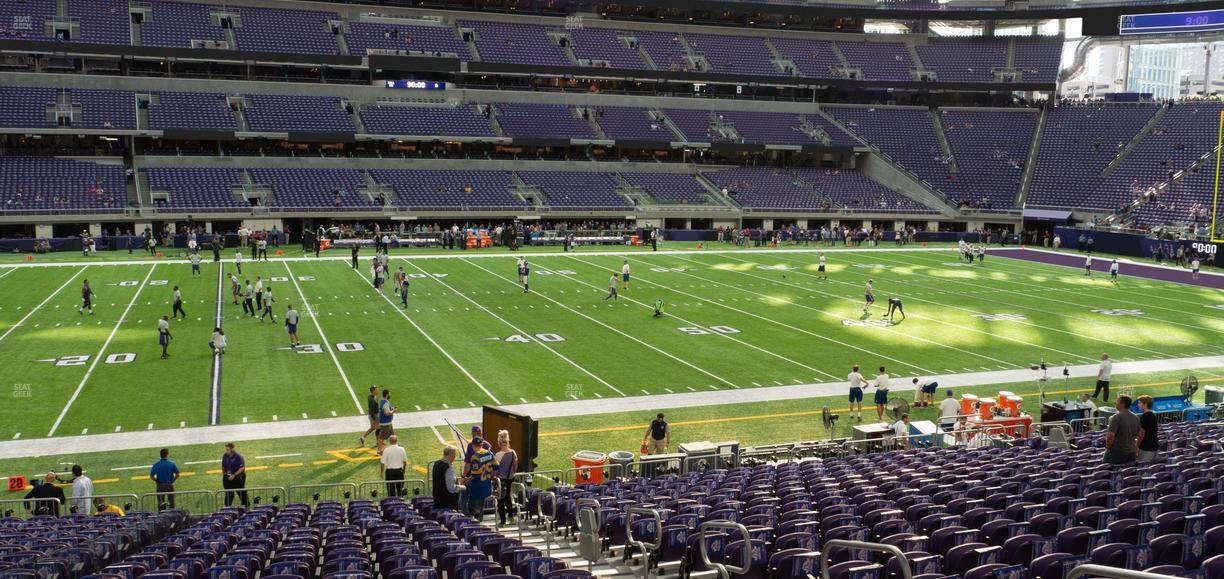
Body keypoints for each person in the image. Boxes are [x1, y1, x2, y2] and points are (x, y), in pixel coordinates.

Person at [464, 438, 498, 520]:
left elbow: (475, 474)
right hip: (487, 484)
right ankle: (479, 519)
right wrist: (492, 476)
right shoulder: (490, 453)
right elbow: (496, 467)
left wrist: (467, 479)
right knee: (481, 504)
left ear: (473, 446)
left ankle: (475, 518)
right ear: (482, 445)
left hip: (477, 485)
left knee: (473, 505)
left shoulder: (475, 457)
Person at [1103, 395, 1139, 465]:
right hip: (1131, 452)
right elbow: (1139, 433)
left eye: (1117, 401)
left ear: (1122, 404)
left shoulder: (1116, 417)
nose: (1115, 402)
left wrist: (1108, 448)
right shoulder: (1136, 417)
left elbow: (1110, 435)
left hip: (1118, 452)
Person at [495, 429, 519, 525]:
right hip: (510, 477)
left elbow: (496, 469)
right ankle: (511, 517)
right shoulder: (513, 452)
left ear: (500, 442)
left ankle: (503, 522)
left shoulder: (498, 455)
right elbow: (515, 466)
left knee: (501, 500)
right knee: (508, 496)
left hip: (501, 479)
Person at [431, 446, 465, 510]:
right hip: (448, 503)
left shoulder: (436, 463)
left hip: (438, 500)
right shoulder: (448, 468)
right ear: (450, 454)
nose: (455, 457)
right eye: (454, 454)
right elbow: (451, 488)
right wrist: (462, 487)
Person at [221, 443, 248, 508]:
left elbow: (242, 468)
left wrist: (234, 475)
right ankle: (227, 507)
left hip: (238, 478)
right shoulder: (225, 455)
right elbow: (223, 465)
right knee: (228, 493)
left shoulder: (238, 457)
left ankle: (245, 506)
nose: (226, 451)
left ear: (232, 449)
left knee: (241, 492)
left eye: (227, 450)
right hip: (228, 477)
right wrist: (224, 473)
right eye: (226, 450)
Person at [1136, 395, 1159, 462]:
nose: (1138, 405)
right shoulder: (1153, 414)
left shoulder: (1145, 417)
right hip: (1154, 446)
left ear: (1145, 404)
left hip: (1146, 448)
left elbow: (1141, 434)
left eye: (1140, 403)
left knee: (1144, 468)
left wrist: (1136, 446)